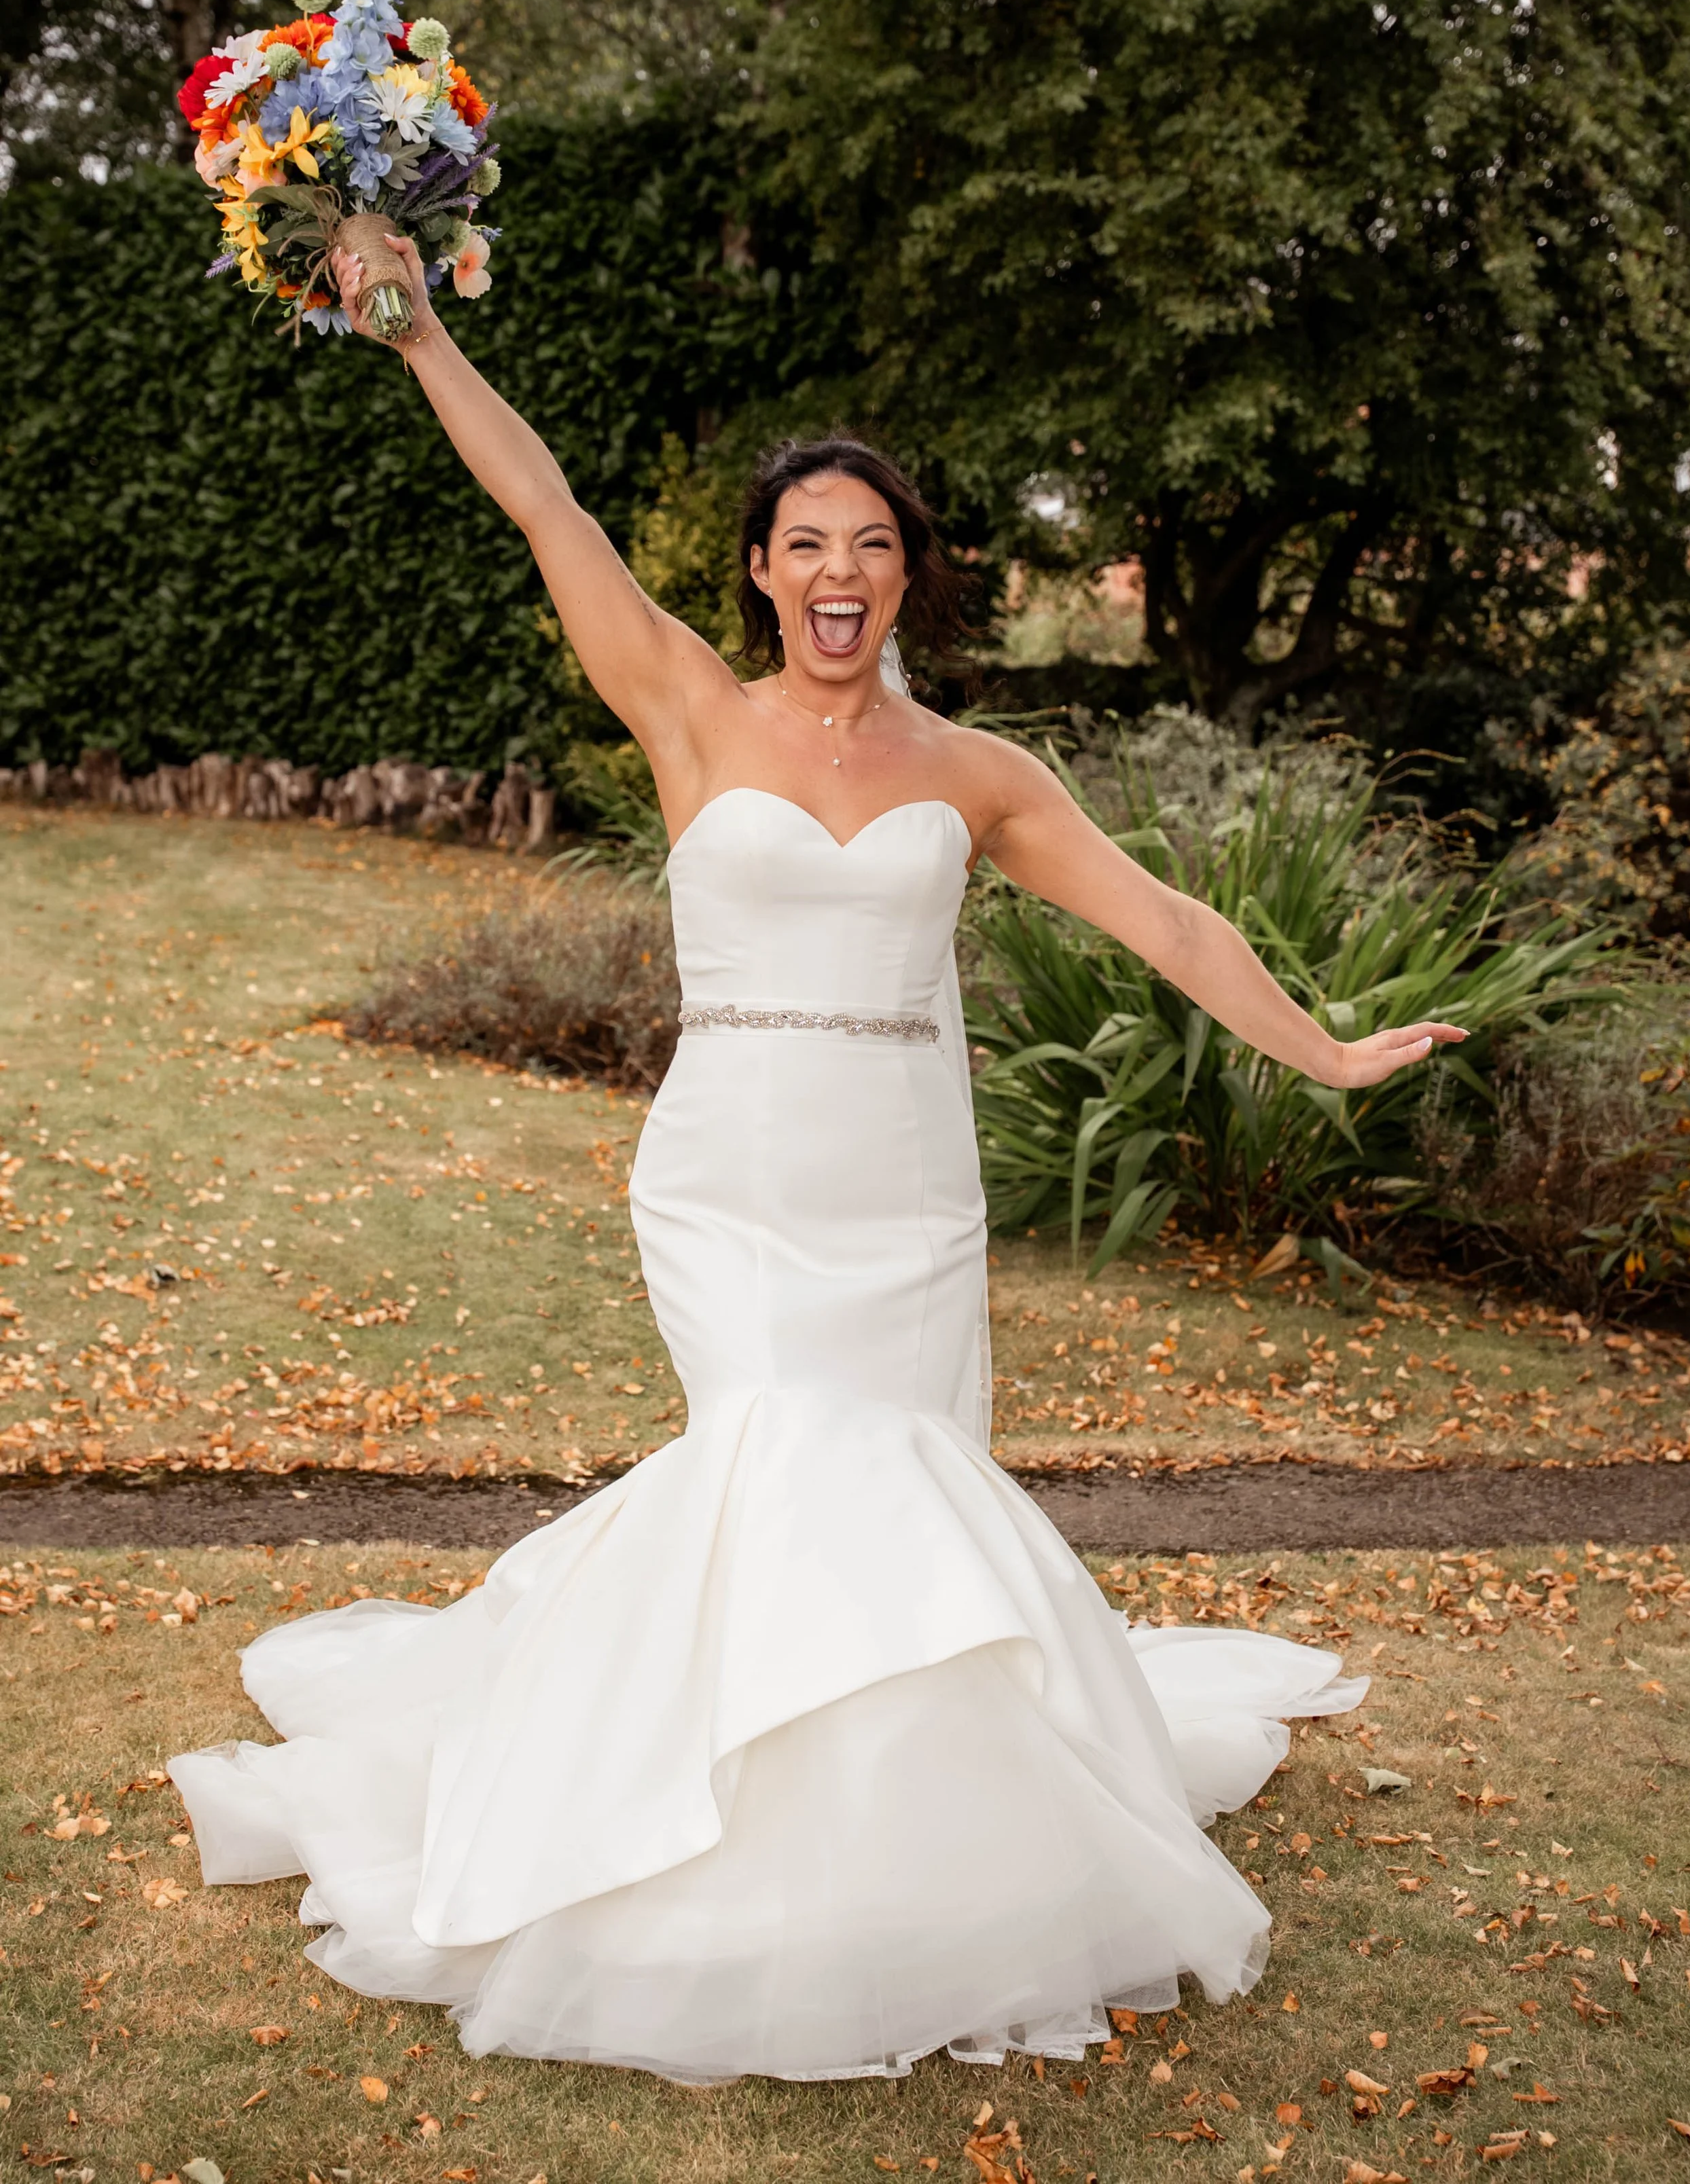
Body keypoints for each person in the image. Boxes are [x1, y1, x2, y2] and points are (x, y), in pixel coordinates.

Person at [171, 238, 1464, 2083]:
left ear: (905, 571)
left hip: (904, 1182)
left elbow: (1166, 921)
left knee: (890, 1482)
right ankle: (710, 1850)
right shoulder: (692, 709)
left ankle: (915, 1851)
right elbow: (545, 507)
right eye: (808, 544)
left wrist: (1327, 1050)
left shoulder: (975, 770)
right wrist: (422, 336)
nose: (839, 571)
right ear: (765, 571)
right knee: (780, 1455)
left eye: (872, 543)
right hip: (736, 1172)